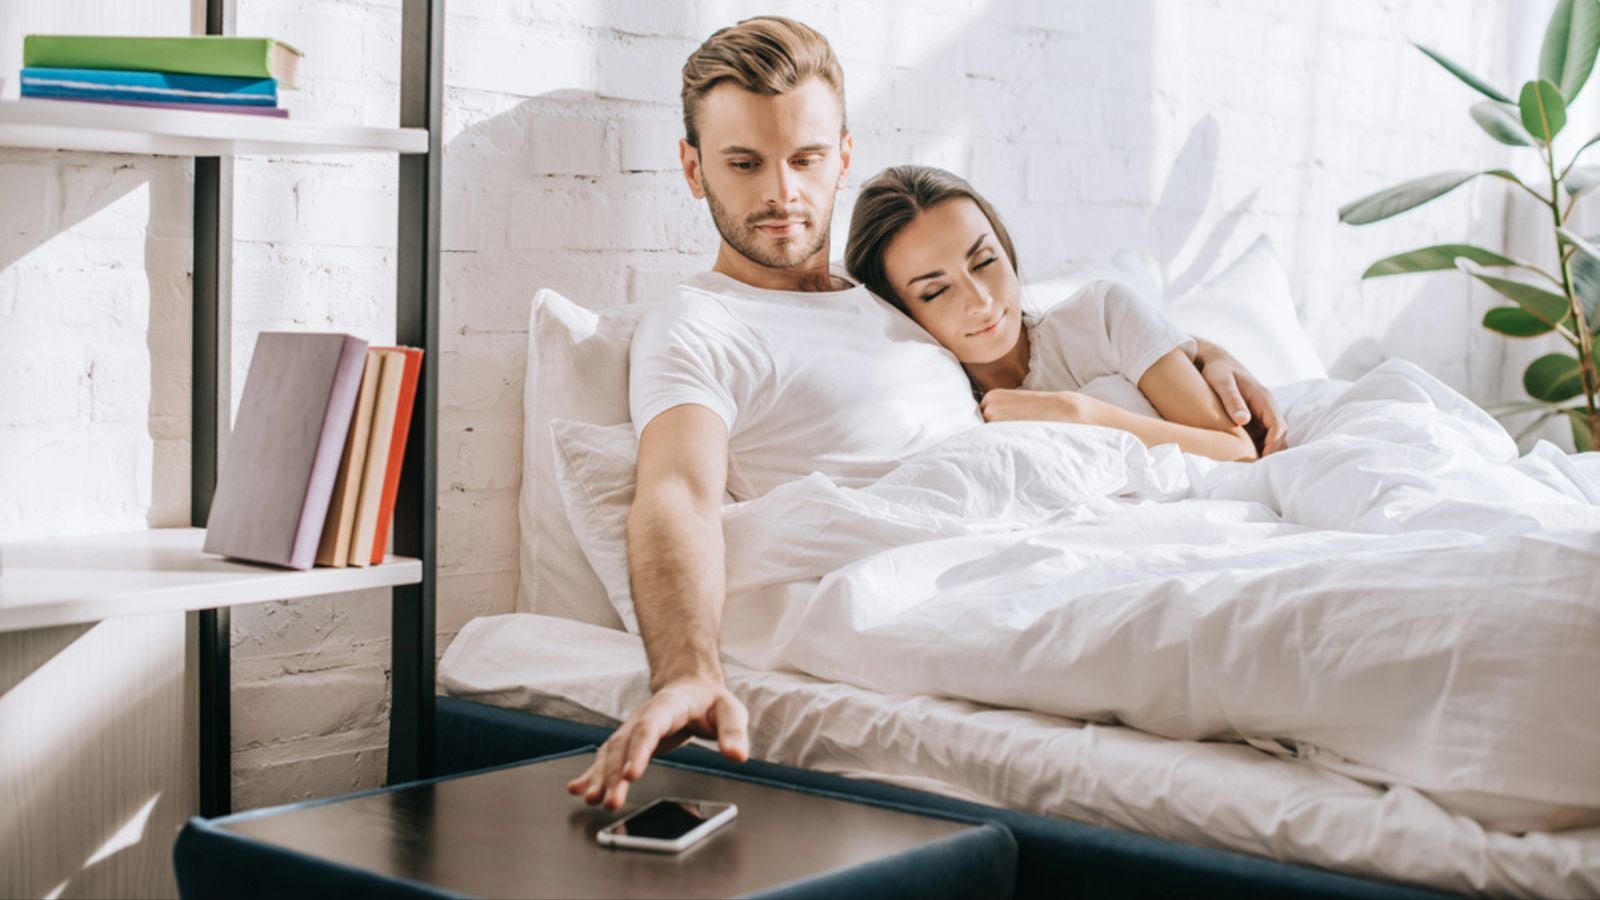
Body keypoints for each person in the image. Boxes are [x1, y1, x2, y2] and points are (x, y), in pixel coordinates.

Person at [567, 15, 1283, 811]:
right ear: (693, 169)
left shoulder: (889, 292)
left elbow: (1033, 315)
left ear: (842, 158)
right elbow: (676, 492)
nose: (781, 193)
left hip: (1071, 531)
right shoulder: (700, 326)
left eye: (806, 159)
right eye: (745, 163)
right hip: (947, 578)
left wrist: (1198, 346)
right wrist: (687, 673)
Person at [845, 165, 1259, 463]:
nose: (980, 300)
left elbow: (1238, 451)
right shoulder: (933, 409)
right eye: (936, 291)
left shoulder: (1101, 316)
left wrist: (1078, 413)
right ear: (900, 309)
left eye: (984, 261)